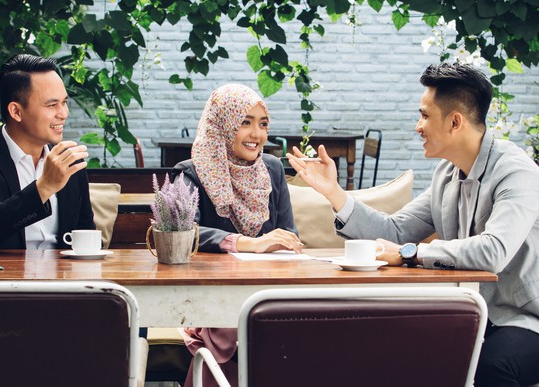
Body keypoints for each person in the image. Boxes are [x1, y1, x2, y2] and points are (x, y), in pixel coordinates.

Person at [287, 63, 539, 387]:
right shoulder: (446, 176)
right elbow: (395, 232)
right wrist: (333, 193)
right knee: (394, 345)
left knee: (493, 366)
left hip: (525, 318)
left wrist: (412, 254)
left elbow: (494, 250)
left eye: (424, 115)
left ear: (454, 122)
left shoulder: (516, 172)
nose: (417, 126)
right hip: (476, 315)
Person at [173, 83, 302, 386]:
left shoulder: (272, 169)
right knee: (231, 329)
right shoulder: (190, 172)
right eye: (245, 122)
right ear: (222, 124)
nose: (257, 134)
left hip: (267, 295)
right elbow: (181, 232)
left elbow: (289, 234)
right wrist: (247, 244)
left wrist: (283, 245)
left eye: (263, 123)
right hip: (214, 297)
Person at [0, 54, 94, 252]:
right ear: (16, 112)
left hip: (66, 281)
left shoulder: (69, 163)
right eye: (52, 105)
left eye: (64, 102)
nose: (63, 114)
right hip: (5, 280)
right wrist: (44, 187)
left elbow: (87, 237)